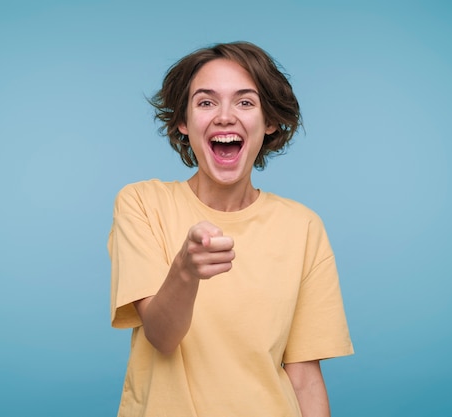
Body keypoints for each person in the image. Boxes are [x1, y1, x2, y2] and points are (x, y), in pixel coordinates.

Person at [108, 41, 353, 417]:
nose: (225, 116)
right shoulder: (142, 203)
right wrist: (186, 272)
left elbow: (304, 377)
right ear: (183, 122)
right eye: (206, 102)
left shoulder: (302, 226)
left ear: (269, 121)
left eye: (245, 102)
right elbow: (161, 336)